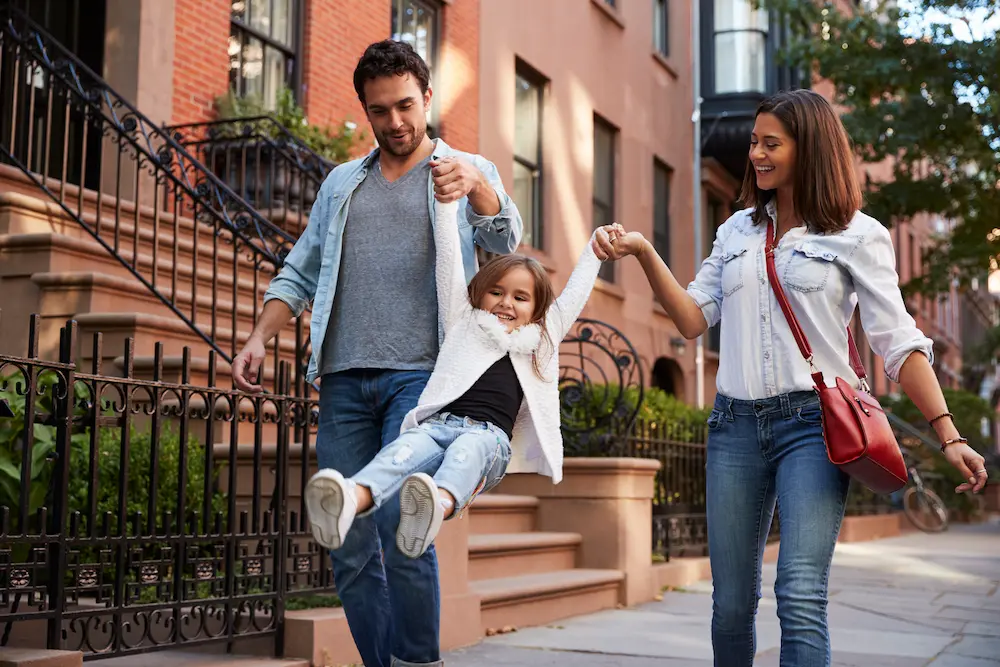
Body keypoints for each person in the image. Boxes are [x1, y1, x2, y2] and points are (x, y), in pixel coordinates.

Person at [593, 89, 989, 667]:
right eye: (755, 142)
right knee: (731, 604)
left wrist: (948, 433)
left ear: (810, 149)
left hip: (814, 428)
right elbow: (692, 319)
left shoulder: (860, 235)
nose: (756, 154)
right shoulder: (736, 231)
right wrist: (644, 252)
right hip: (734, 427)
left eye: (771, 143)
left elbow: (899, 343)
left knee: (800, 593)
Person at [231, 40, 523, 667]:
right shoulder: (343, 183)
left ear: (428, 98)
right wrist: (259, 336)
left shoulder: (462, 169)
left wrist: (479, 188)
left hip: (421, 380)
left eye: (405, 106)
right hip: (342, 381)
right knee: (348, 541)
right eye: (380, 110)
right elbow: (300, 270)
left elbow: (506, 246)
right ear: (365, 109)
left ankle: (417, 661)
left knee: (402, 526)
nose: (395, 122)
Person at [304, 200, 611, 559]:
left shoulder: (542, 339)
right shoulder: (463, 320)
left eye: (520, 297)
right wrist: (446, 204)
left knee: (467, 451)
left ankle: (436, 505)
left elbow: (574, 295)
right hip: (437, 426)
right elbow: (448, 256)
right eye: (496, 292)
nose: (506, 302)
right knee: (401, 452)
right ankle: (349, 498)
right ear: (480, 292)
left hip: (489, 439)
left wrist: (596, 248)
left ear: (537, 309)